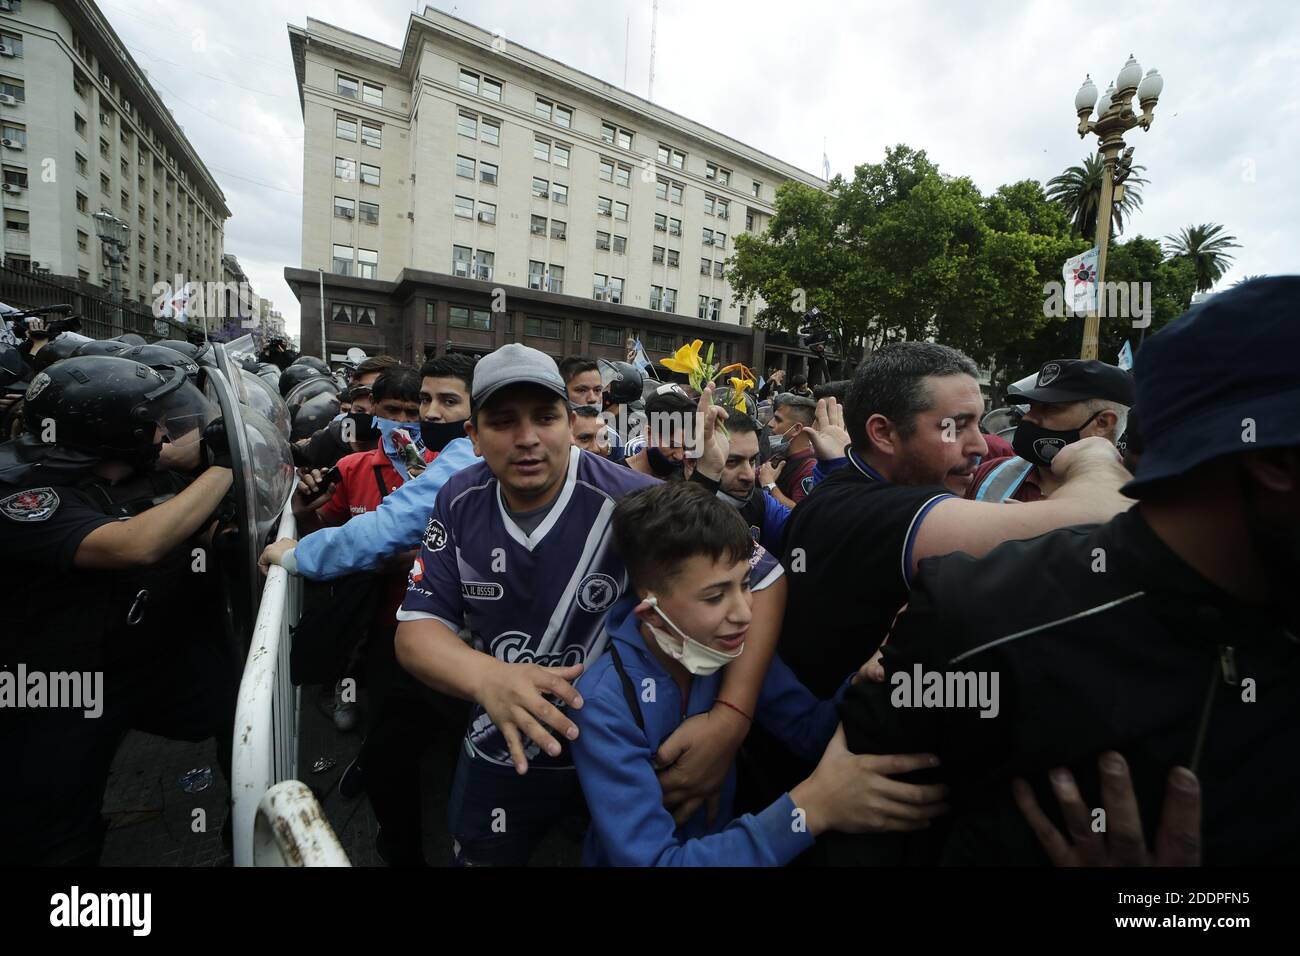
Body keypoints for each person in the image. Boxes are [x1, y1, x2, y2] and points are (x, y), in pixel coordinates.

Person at [836, 276, 1300, 866]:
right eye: (1028, 409)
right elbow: (859, 822)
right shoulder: (977, 616)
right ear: (1274, 461)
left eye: (1049, 411)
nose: (1009, 433)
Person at [393, 344, 790, 864]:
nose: (528, 438)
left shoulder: (630, 495)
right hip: (503, 744)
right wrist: (487, 678)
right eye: (503, 421)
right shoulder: (458, 499)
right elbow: (417, 629)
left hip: (621, 753)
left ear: (572, 419)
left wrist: (730, 719)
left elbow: (765, 577)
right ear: (473, 436)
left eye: (545, 417)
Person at [738, 341, 1134, 828]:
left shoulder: (858, 491)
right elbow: (1105, 521)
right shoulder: (873, 514)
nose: (982, 444)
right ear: (882, 433)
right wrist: (1094, 456)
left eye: (978, 422)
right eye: (956, 425)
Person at [570, 481, 948, 866]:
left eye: (746, 584)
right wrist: (809, 809)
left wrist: (870, 671)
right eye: (716, 596)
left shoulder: (726, 649)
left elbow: (807, 730)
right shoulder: (603, 706)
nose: (744, 612)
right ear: (651, 614)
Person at [0, 356, 238, 865]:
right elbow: (136, 544)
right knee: (54, 829)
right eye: (151, 421)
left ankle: (245, 832)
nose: (162, 431)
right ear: (112, 430)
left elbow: (190, 526)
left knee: (232, 711)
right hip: (51, 686)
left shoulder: (132, 472)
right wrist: (224, 465)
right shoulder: (20, 490)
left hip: (134, 660)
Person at [682, 405, 849, 554]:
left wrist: (833, 471)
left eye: (753, 460)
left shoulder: (762, 504)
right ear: (691, 463)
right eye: (731, 462)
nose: (748, 475)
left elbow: (813, 534)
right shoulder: (663, 507)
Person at [966, 359, 1133, 503]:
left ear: (1102, 423)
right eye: (1031, 406)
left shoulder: (1134, 499)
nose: (1028, 417)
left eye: (1049, 408)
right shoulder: (988, 474)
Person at [293, 355, 402, 470]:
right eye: (360, 387)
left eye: (378, 390)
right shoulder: (330, 437)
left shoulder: (402, 452)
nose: (366, 395)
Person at [760, 392, 820, 507]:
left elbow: (799, 512)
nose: (771, 424)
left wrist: (770, 485)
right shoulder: (779, 456)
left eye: (778, 420)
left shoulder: (809, 468)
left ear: (796, 429)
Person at [622, 386, 696, 479]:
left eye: (686, 447)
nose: (680, 456)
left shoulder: (685, 480)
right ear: (649, 434)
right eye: (672, 445)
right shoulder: (613, 477)